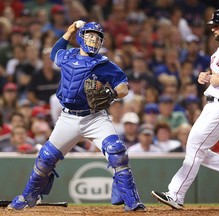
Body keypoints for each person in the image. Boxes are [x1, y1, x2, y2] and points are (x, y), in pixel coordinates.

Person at [8, 21, 145, 211]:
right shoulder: (68, 55)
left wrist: (112, 93)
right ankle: (28, 196)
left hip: (94, 117)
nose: (94, 40)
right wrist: (69, 31)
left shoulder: (103, 63)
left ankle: (132, 202)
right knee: (45, 158)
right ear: (80, 37)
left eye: (98, 37)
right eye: (90, 35)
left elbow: (123, 86)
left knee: (117, 152)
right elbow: (54, 53)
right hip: (68, 118)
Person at [151, 8, 219, 209]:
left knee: (195, 149)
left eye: (216, 25)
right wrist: (206, 76)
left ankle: (176, 194)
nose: (213, 29)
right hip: (213, 104)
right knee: (197, 148)